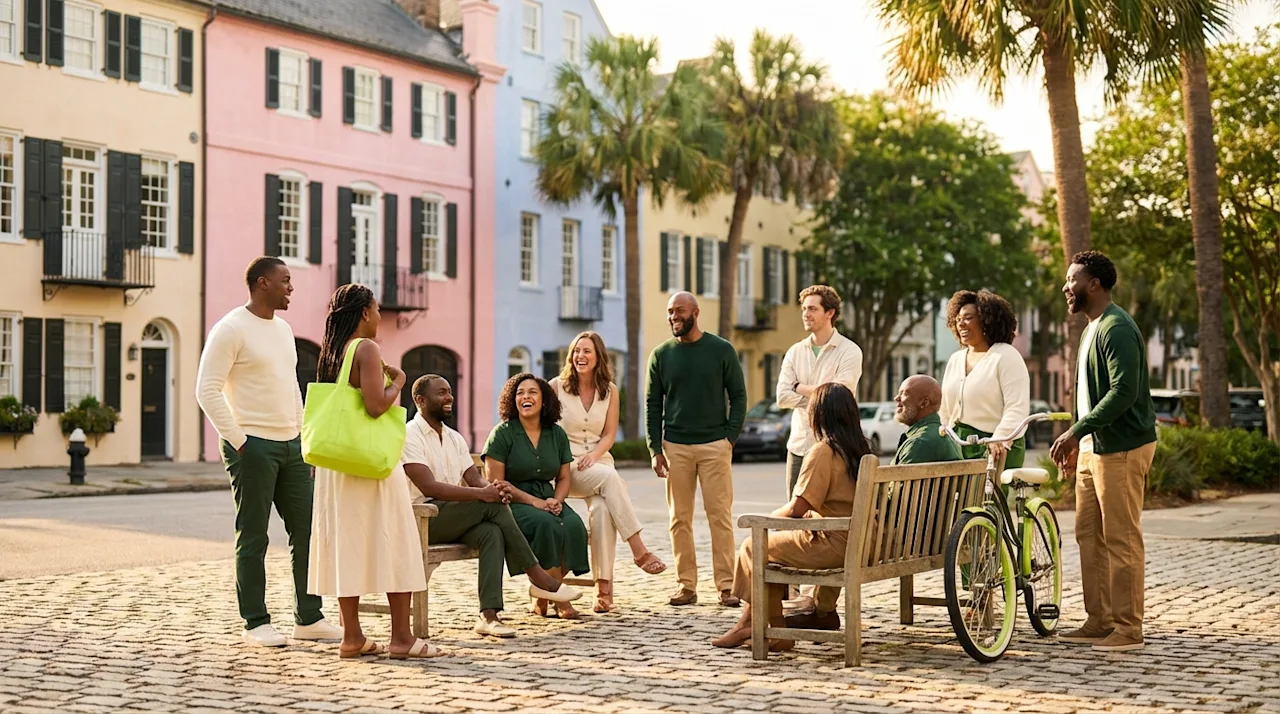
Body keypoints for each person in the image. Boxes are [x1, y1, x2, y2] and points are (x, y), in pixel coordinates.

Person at [196, 256, 342, 648]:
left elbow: (292, 388)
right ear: (263, 284)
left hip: (291, 446)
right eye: (285, 281)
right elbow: (206, 389)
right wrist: (240, 440)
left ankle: (309, 617)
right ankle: (255, 622)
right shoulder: (230, 329)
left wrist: (302, 439)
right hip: (252, 447)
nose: (291, 287)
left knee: (308, 531)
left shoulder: (283, 330)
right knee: (254, 535)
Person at [305, 284, 434, 659]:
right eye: (376, 310)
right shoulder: (366, 348)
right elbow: (377, 406)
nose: (379, 317)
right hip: (370, 463)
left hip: (338, 464)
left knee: (349, 544)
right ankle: (401, 638)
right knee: (396, 540)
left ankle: (352, 637)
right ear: (364, 312)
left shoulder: (333, 353)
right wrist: (400, 382)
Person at [401, 374, 582, 638]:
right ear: (420, 400)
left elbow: (474, 479)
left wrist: (493, 490)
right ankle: (539, 577)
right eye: (441, 393)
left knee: (492, 532)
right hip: (423, 518)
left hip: (454, 516)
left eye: (450, 391)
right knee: (492, 508)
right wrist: (485, 496)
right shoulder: (410, 434)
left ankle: (488, 615)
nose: (449, 397)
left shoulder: (454, 438)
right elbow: (429, 487)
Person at [785, 374, 962, 631]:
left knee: (842, 524)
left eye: (904, 394)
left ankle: (819, 611)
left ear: (924, 402)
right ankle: (820, 609)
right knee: (839, 522)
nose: (896, 399)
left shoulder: (920, 443)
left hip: (903, 541)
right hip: (930, 536)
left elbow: (893, 501)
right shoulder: (942, 435)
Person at [712, 383, 873, 651]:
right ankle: (749, 624)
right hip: (865, 541)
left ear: (820, 415)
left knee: (755, 546)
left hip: (836, 545)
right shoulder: (863, 450)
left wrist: (771, 516)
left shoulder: (824, 451)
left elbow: (797, 509)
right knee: (771, 551)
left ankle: (774, 630)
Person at [1051, 251, 1157, 653]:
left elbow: (1123, 392)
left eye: (1071, 279)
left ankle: (1129, 628)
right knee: (1089, 536)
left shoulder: (1116, 328)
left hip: (1123, 448)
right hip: (1095, 449)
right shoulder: (1091, 328)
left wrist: (1077, 430)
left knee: (1121, 538)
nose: (1066, 287)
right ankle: (1100, 620)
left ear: (1093, 284)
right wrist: (1082, 441)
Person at [550, 331, 666, 614]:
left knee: (602, 511)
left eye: (587, 351)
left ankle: (604, 591)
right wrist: (573, 459)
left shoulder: (610, 391)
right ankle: (639, 549)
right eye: (577, 351)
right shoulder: (556, 387)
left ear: (598, 357)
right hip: (568, 468)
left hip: (598, 463)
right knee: (612, 479)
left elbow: (609, 434)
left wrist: (594, 456)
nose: (580, 356)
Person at [646, 291, 748, 608]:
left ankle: (727, 586)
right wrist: (654, 448)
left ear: (695, 312)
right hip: (675, 446)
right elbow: (652, 405)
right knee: (679, 519)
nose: (673, 316)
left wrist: (728, 438)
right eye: (669, 311)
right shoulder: (661, 355)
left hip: (714, 445)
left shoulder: (721, 350)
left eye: (679, 310)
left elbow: (739, 396)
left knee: (719, 516)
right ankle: (686, 585)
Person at [775, 285, 863, 614]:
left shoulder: (849, 351)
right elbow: (782, 396)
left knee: (831, 522)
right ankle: (793, 598)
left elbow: (844, 392)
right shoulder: (795, 351)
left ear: (830, 313)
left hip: (835, 449)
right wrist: (817, 393)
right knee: (795, 520)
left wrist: (801, 388)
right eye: (805, 308)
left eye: (813, 309)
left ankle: (819, 601)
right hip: (800, 446)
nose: (806, 314)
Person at [483, 373, 591, 620]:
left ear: (544, 400)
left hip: (548, 498)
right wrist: (535, 502)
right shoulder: (502, 433)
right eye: (520, 392)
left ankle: (543, 595)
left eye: (532, 392)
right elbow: (497, 483)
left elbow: (564, 478)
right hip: (512, 503)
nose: (525, 397)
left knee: (573, 526)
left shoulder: (556, 434)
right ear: (512, 400)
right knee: (547, 525)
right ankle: (558, 598)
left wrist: (557, 501)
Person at [939, 289, 1031, 468]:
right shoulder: (955, 359)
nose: (961, 324)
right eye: (958, 320)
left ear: (986, 319)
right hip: (959, 447)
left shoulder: (1006, 355)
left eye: (968, 318)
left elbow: (1017, 408)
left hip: (998, 447)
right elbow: (945, 410)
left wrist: (999, 439)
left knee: (989, 496)